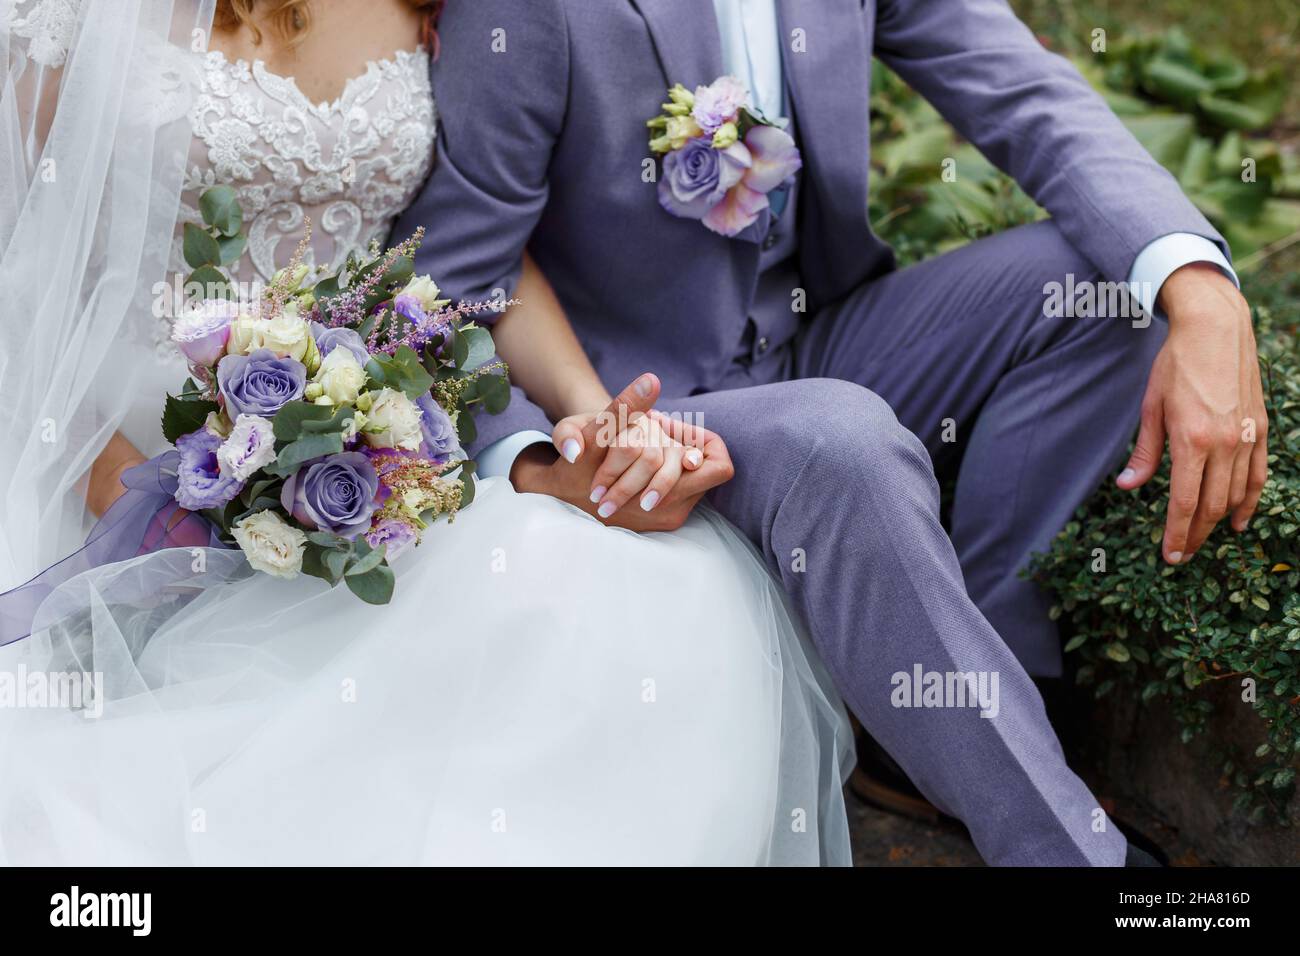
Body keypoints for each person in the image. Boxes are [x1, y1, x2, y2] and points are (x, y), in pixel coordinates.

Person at [396, 0, 1269, 865]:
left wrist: (1200, 288)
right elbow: (451, 280)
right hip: (637, 407)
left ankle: (938, 712)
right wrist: (542, 458)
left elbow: (1024, 90)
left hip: (817, 336)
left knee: (1114, 286)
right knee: (838, 441)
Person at [0, 0, 851, 866]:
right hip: (102, 439)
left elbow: (482, 258)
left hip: (368, 455)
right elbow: (16, 271)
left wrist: (589, 412)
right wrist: (134, 506)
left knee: (636, 584)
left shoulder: (442, 10)